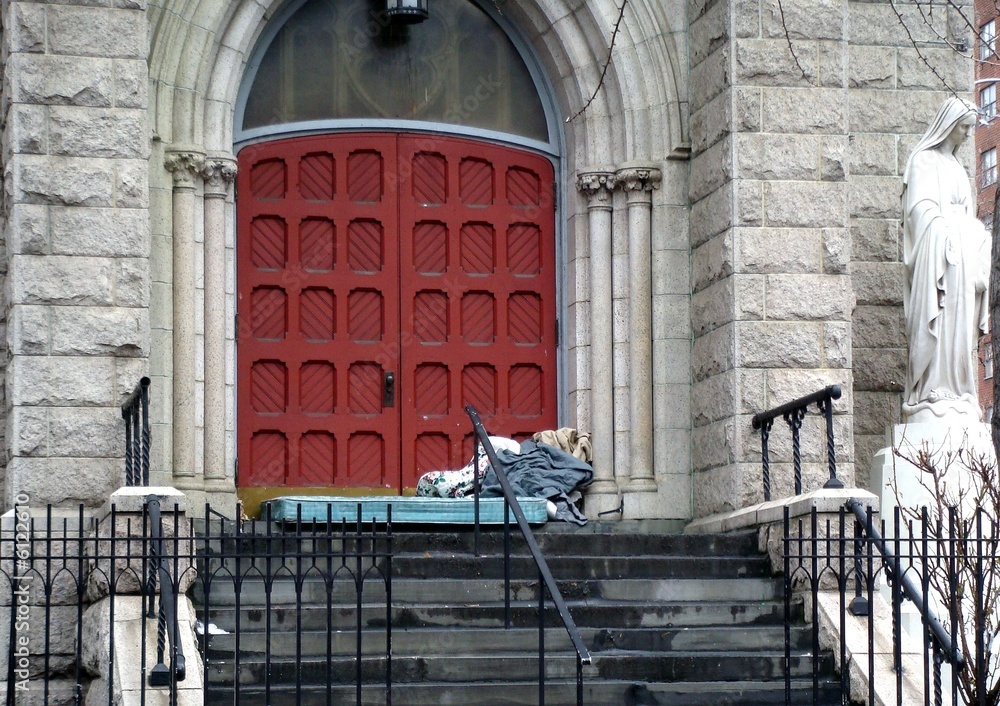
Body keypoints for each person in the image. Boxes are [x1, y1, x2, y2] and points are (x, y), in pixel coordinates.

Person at [901, 97, 990, 424]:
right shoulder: (923, 161)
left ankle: (959, 389)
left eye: (970, 128)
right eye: (964, 127)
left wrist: (973, 232)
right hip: (937, 254)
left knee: (959, 322)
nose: (968, 134)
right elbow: (918, 212)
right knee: (937, 321)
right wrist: (943, 229)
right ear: (949, 125)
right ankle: (931, 388)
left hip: (961, 261)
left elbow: (967, 212)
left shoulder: (957, 168)